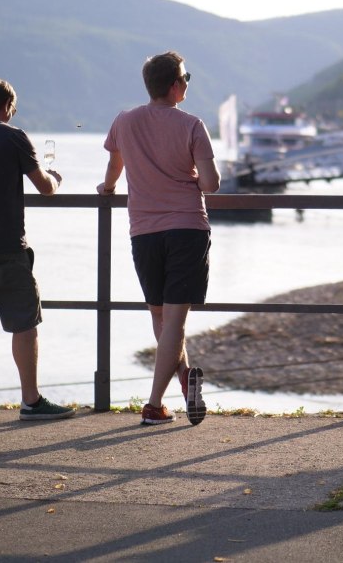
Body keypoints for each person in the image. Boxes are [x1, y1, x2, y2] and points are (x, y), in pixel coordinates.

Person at [97, 51, 220, 426]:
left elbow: (115, 165)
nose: (187, 83)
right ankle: (153, 405)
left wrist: (109, 186)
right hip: (186, 228)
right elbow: (211, 185)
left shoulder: (124, 120)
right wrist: (195, 174)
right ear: (174, 85)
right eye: (186, 77)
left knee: (161, 317)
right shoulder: (192, 125)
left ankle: (184, 380)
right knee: (176, 322)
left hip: (144, 232)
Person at [0, 78, 76, 421]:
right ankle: (31, 401)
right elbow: (45, 187)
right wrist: (57, 177)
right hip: (5, 248)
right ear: (7, 106)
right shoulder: (13, 136)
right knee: (23, 324)